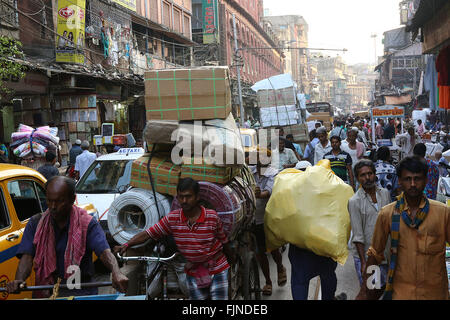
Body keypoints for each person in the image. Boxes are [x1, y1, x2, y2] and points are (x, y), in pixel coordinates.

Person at [6, 176, 128, 298]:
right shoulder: (35, 223)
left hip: (79, 290)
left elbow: (104, 252)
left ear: (72, 199)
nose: (53, 206)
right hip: (45, 291)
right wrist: (18, 280)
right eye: (49, 200)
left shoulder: (87, 223)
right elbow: (27, 257)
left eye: (59, 201)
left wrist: (116, 272)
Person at [114, 178, 233, 300]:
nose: (184, 201)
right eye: (181, 197)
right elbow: (149, 233)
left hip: (216, 269)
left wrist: (231, 258)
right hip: (194, 271)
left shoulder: (211, 217)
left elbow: (224, 241)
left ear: (197, 197)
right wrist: (127, 245)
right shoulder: (173, 219)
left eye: (188, 197)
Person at [356, 156, 450, 300]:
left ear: (425, 181)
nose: (412, 184)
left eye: (417, 178)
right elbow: (375, 255)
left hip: (435, 293)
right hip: (401, 293)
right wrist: (368, 291)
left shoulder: (443, 213)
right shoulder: (387, 214)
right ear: (399, 181)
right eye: (407, 179)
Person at [348, 160, 391, 294]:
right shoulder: (354, 201)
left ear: (375, 174)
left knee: (385, 291)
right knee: (371, 293)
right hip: (367, 257)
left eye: (370, 173)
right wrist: (364, 263)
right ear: (357, 178)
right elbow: (358, 235)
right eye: (363, 175)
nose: (367, 178)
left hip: (385, 254)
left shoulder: (384, 194)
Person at [250, 149, 287, 296]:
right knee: (260, 252)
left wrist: (260, 194)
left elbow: (269, 192)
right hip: (252, 217)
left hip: (268, 216)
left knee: (273, 249)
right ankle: (268, 282)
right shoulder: (250, 172)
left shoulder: (273, 173)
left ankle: (280, 266)